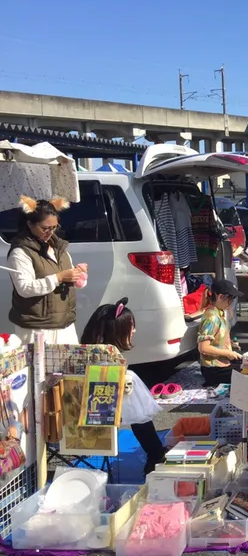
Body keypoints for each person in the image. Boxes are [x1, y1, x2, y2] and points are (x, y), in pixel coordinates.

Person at [80, 299, 166, 474]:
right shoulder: (106, 358)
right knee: (132, 391)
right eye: (131, 326)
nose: (134, 331)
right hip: (97, 410)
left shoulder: (90, 351)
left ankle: (156, 452)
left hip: (90, 407)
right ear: (117, 329)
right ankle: (156, 454)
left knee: (132, 392)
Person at [7, 196, 87, 344]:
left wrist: (77, 275)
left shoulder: (59, 247)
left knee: (68, 360)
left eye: (54, 227)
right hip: (37, 328)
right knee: (39, 361)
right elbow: (24, 288)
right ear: (30, 224)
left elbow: (69, 277)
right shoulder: (20, 252)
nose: (50, 232)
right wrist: (59, 277)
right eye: (45, 228)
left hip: (64, 324)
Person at [198, 279, 243, 387]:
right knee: (247, 375)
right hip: (214, 369)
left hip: (222, 363)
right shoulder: (211, 318)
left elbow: (218, 336)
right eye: (230, 299)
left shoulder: (220, 312)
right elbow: (203, 348)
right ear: (221, 297)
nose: (231, 303)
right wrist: (228, 353)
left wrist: (230, 344)